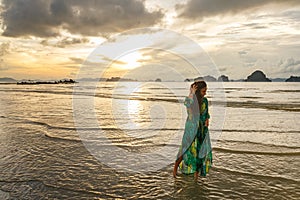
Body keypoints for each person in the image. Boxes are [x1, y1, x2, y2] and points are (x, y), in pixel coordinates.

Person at [173, 81, 212, 180]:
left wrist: (207, 121)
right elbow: (187, 103)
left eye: (206, 91)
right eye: (203, 91)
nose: (205, 93)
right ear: (198, 91)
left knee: (199, 151)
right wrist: (192, 93)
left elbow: (206, 114)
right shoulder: (191, 101)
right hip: (191, 129)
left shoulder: (205, 101)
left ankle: (196, 176)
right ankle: (175, 169)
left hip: (202, 129)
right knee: (185, 149)